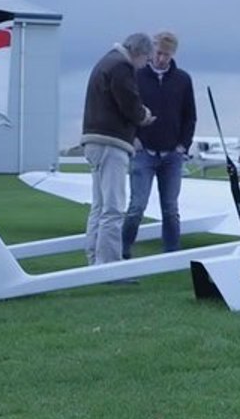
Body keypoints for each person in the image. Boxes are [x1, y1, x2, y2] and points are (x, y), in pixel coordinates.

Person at [81, 33, 155, 269]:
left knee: (99, 206)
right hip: (110, 143)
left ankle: (94, 259)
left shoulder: (107, 61)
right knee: (113, 208)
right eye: (147, 58)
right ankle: (110, 266)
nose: (146, 64)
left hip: (94, 140)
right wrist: (144, 115)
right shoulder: (122, 66)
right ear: (139, 52)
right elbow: (129, 103)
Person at [122, 31, 196, 257]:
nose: (162, 58)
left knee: (171, 209)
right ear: (152, 50)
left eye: (167, 54)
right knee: (137, 207)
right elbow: (127, 109)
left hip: (172, 155)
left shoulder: (183, 79)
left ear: (173, 54)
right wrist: (132, 138)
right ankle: (122, 250)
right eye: (159, 53)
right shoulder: (136, 75)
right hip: (143, 153)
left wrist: (183, 145)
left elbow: (189, 115)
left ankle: (172, 254)